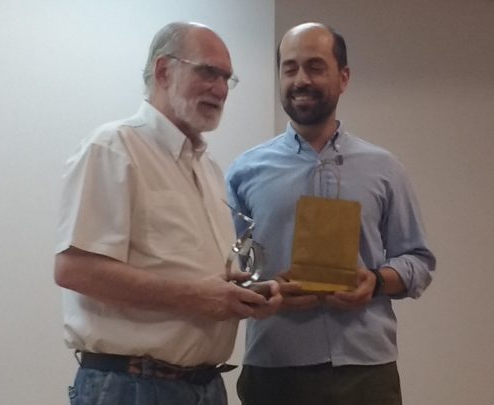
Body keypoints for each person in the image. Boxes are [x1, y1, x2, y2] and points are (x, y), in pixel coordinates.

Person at [54, 21, 281, 405]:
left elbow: (185, 274)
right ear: (163, 71)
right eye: (208, 72)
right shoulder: (113, 148)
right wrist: (195, 296)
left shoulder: (208, 169)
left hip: (205, 386)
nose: (220, 89)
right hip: (131, 387)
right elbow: (76, 269)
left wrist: (239, 294)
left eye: (227, 78)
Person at [226, 22, 436, 405]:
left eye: (315, 67)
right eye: (290, 68)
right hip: (274, 368)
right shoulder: (243, 172)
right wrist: (269, 291)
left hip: (365, 372)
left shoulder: (385, 169)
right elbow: (228, 275)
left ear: (344, 77)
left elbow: (419, 262)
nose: (300, 80)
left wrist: (375, 281)